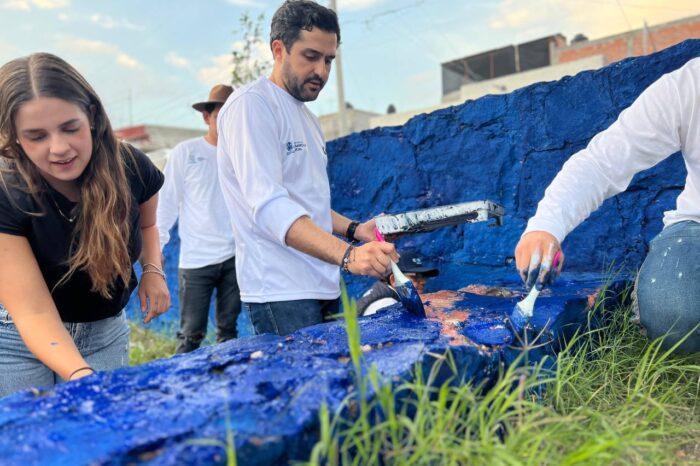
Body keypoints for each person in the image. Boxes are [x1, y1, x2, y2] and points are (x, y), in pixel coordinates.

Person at [217, 0, 398, 336]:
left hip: (322, 281)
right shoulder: (251, 107)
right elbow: (270, 207)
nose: (322, 71)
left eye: (329, 60)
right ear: (279, 49)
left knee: (334, 383)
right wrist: (349, 256)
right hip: (280, 289)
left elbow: (306, 202)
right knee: (304, 388)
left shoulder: (309, 121)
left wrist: (355, 230)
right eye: (311, 56)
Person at [0, 53, 169, 397]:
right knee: (31, 444)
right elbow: (32, 310)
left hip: (104, 332)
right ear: (15, 137)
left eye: (69, 128)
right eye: (37, 136)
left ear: (91, 116)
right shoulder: (7, 190)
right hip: (17, 339)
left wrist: (153, 271)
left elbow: (149, 225)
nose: (59, 148)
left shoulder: (130, 166)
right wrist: (82, 376)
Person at [515, 57, 700, 353]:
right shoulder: (689, 85)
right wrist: (545, 228)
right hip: (696, 225)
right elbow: (601, 164)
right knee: (674, 314)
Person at [157, 84, 242, 353]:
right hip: (196, 261)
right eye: (220, 116)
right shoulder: (186, 152)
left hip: (235, 257)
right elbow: (167, 200)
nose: (226, 123)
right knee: (191, 336)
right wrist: (155, 246)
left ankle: (227, 388)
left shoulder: (243, 155)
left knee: (228, 334)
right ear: (207, 117)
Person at [357, 251, 439, 316]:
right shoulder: (385, 304)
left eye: (423, 276)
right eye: (416, 277)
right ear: (393, 280)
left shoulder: (386, 293)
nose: (423, 281)